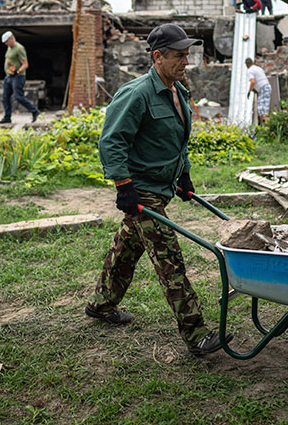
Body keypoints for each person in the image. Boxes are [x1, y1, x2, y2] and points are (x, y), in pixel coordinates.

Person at [86, 23, 233, 356]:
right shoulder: (137, 93)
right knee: (169, 259)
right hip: (141, 191)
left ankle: (100, 305)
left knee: (126, 249)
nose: (186, 62)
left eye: (187, 55)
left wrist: (185, 177)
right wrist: (124, 186)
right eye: (179, 56)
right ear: (158, 57)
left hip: (161, 187)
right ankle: (196, 334)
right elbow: (112, 141)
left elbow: (178, 143)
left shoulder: (178, 91)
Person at [0, 31, 40, 124]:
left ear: (12, 39)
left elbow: (25, 64)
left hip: (18, 77)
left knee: (18, 97)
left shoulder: (19, 48)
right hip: (8, 77)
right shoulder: (9, 47)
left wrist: (17, 71)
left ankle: (35, 111)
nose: (6, 44)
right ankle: (7, 117)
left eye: (7, 42)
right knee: (5, 97)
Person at [245, 58, 272, 124]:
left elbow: (253, 82)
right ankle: (264, 125)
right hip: (267, 86)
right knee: (264, 108)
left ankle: (265, 126)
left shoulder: (250, 70)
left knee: (262, 109)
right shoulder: (258, 68)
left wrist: (249, 91)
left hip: (263, 88)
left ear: (247, 65)